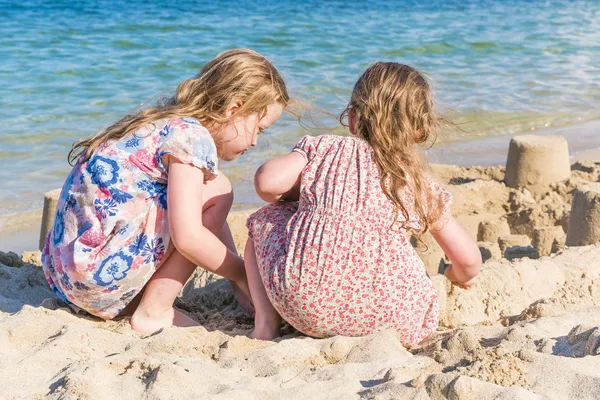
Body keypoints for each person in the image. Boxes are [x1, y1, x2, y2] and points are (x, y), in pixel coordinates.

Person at [41, 48, 288, 334]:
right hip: (99, 281)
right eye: (259, 128)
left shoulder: (164, 122)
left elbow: (206, 215)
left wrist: (238, 282)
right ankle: (155, 310)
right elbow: (189, 237)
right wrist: (245, 272)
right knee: (219, 188)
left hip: (66, 277)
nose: (256, 141)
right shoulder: (193, 138)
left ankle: (142, 300)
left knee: (207, 190)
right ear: (234, 108)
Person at [244, 62, 481, 346]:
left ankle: (267, 323)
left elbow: (267, 184)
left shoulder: (325, 149)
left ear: (353, 119)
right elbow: (469, 261)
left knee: (265, 219)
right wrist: (454, 275)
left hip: (304, 310)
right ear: (419, 131)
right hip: (396, 322)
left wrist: (298, 198)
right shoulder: (415, 182)